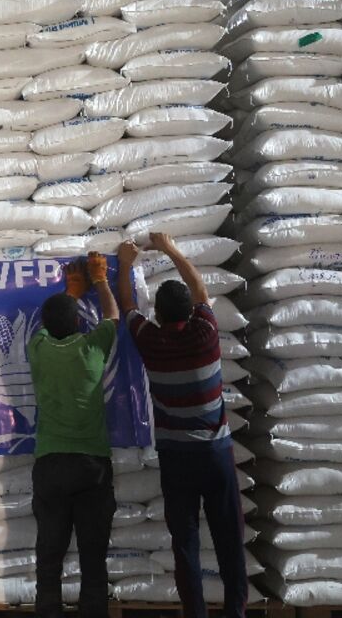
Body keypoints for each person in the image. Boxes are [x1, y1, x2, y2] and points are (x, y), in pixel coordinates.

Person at [116, 233, 246, 618]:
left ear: (156, 314)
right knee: (229, 540)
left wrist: (125, 264)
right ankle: (236, 611)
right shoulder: (206, 334)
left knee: (185, 543)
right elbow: (199, 287)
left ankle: (195, 613)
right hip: (216, 455)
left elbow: (126, 306)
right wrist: (169, 248)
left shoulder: (151, 342)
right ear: (190, 312)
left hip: (177, 460)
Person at [27, 252, 120, 618]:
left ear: (46, 326)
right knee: (93, 558)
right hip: (91, 466)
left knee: (49, 556)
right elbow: (112, 316)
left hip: (50, 465)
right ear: (81, 322)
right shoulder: (92, 348)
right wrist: (99, 280)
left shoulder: (37, 349)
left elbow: (58, 321)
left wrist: (71, 291)